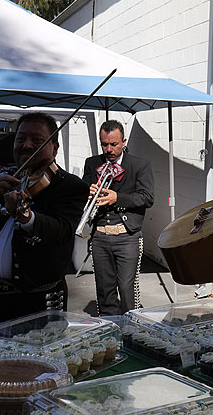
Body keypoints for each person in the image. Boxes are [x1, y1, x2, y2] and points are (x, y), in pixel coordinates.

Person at [0, 112, 88, 326]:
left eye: (37, 140)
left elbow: (63, 231)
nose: (26, 145)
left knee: (38, 357)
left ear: (54, 148)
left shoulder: (69, 186)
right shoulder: (4, 178)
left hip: (40, 302)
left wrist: (27, 217)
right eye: (21, 138)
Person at [81, 120, 154, 315]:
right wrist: (87, 192)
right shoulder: (92, 163)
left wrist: (118, 197)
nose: (109, 149)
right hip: (100, 236)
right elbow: (81, 193)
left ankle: (132, 330)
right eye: (104, 144)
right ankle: (109, 330)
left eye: (114, 144)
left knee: (127, 289)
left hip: (127, 236)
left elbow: (147, 198)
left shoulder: (139, 165)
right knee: (104, 290)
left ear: (124, 141)